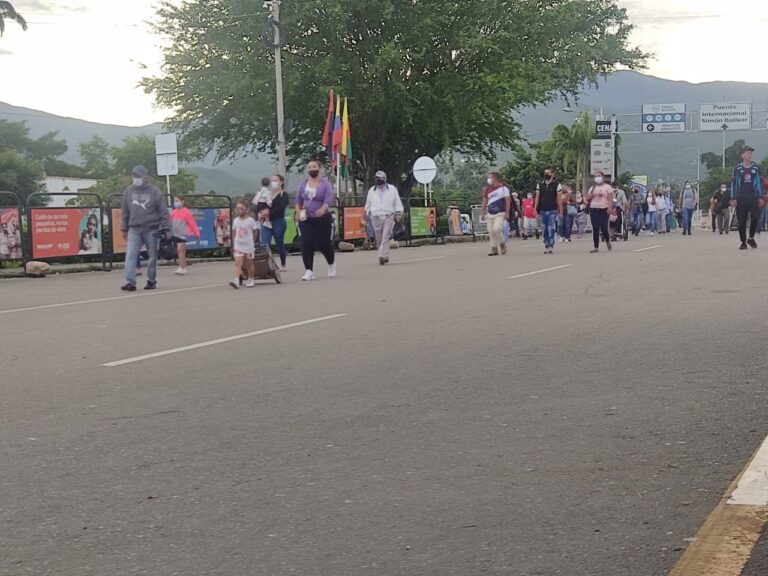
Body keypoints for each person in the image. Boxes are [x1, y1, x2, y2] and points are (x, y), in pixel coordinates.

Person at [120, 166, 170, 292]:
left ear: (145, 177)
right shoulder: (128, 191)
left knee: (152, 256)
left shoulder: (154, 191)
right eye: (134, 175)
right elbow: (125, 211)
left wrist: (165, 228)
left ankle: (151, 280)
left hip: (151, 229)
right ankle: (130, 282)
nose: (136, 178)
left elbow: (163, 211)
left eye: (139, 176)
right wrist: (124, 228)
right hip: (134, 229)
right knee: (131, 255)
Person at [295, 159, 336, 281]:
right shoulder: (303, 184)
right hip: (306, 217)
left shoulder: (325, 184)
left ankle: (331, 263)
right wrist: (298, 211)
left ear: (319, 169)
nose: (311, 169)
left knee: (323, 244)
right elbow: (298, 200)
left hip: (322, 218)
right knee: (306, 242)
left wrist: (323, 209)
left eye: (314, 166)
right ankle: (309, 270)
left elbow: (328, 199)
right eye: (309, 167)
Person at [364, 170, 404, 265]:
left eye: (380, 178)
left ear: (385, 179)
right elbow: (368, 205)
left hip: (388, 216)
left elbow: (397, 202)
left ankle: (382, 255)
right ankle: (384, 255)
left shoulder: (392, 189)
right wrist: (369, 213)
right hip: (376, 217)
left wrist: (398, 213)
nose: (378, 180)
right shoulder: (371, 191)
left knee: (386, 236)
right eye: (377, 178)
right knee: (379, 238)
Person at [730, 145, 764, 250]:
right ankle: (743, 242)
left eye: (750, 153)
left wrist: (760, 197)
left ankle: (751, 237)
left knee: (755, 217)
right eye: (747, 153)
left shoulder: (756, 167)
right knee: (742, 221)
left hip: (753, 197)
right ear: (742, 155)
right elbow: (734, 183)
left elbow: (759, 183)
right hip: (741, 198)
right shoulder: (737, 168)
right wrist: (733, 198)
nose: (749, 155)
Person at [261, 174, 290, 270]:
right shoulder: (267, 194)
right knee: (265, 243)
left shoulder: (283, 194)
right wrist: (261, 212)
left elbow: (281, 207)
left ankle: (283, 263)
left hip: (279, 221)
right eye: (272, 180)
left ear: (281, 182)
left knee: (279, 242)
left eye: (276, 180)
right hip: (266, 222)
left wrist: (269, 212)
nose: (273, 182)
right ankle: (267, 265)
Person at [480, 172, 511, 256]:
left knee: (496, 229)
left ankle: (502, 244)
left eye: (490, 177)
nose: (489, 179)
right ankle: (494, 248)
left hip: (500, 213)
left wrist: (507, 213)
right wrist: (482, 213)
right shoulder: (488, 189)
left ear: (495, 178)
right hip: (490, 213)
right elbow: (484, 201)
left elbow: (508, 201)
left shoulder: (504, 189)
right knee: (491, 231)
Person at [230, 199, 259, 289]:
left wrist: (252, 242)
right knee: (238, 262)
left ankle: (251, 278)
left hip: (248, 246)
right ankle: (236, 280)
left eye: (241, 208)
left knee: (249, 264)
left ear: (247, 209)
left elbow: (255, 231)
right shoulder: (235, 221)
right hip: (238, 245)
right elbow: (234, 232)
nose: (239, 211)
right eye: (238, 209)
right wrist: (234, 243)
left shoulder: (250, 220)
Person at [585, 170, 614, 253]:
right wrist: (591, 195)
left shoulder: (607, 187)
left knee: (604, 228)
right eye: (596, 176)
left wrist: (610, 208)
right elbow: (587, 198)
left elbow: (610, 199)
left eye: (599, 176)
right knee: (595, 228)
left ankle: (607, 241)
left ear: (603, 177)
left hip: (604, 209)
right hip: (593, 209)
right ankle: (596, 247)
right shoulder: (592, 187)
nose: (597, 178)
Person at [171, 196, 201, 275]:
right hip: (176, 233)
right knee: (182, 251)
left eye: (177, 201)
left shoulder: (186, 212)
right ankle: (183, 267)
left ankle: (181, 267)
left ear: (182, 201)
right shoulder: (173, 212)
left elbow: (192, 224)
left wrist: (197, 234)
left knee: (179, 249)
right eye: (175, 201)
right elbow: (170, 222)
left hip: (183, 233)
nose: (176, 203)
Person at [535, 167, 562, 254]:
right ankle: (546, 244)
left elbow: (559, 199)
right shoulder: (540, 184)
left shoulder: (557, 185)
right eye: (545, 173)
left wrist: (561, 210)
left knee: (551, 228)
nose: (546, 175)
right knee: (544, 228)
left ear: (553, 174)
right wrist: (535, 209)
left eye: (548, 173)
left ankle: (551, 245)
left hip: (552, 209)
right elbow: (537, 197)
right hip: (542, 209)